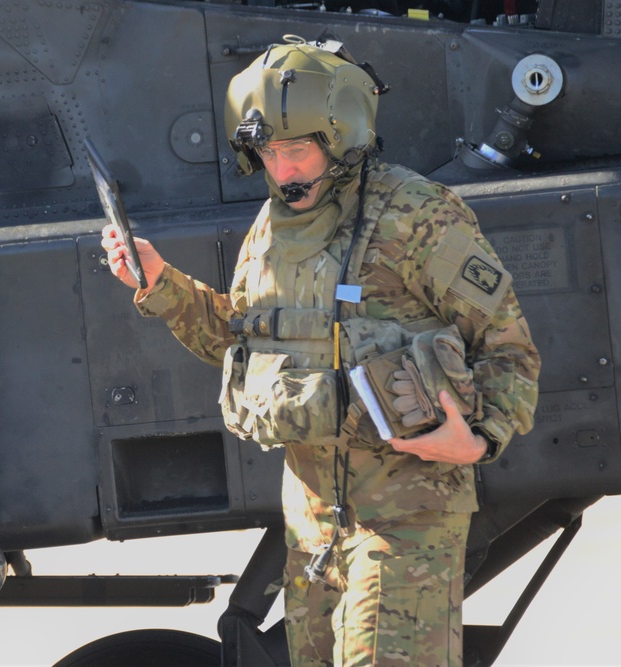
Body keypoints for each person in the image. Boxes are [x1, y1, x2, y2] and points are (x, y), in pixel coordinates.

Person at [101, 37, 540, 667]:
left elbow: (508, 346)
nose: (283, 170)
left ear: (343, 136)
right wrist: (159, 283)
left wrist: (481, 437)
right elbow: (244, 342)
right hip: (311, 532)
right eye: (268, 151)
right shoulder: (271, 229)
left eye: (298, 149)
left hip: (407, 518)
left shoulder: (416, 216)